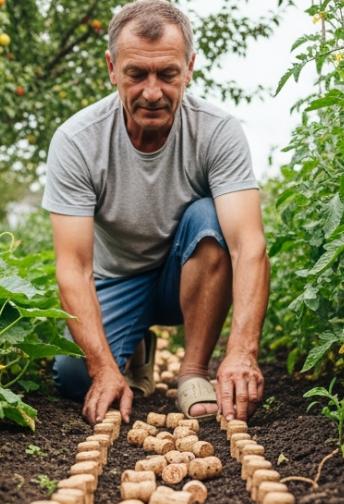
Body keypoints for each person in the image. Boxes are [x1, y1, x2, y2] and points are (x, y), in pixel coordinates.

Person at [42, 0, 269, 426]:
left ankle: (193, 370)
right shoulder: (77, 141)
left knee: (209, 217)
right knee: (73, 378)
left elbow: (248, 245)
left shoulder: (217, 131)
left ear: (189, 68)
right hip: (117, 279)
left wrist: (242, 351)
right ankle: (136, 348)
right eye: (136, 74)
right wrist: (102, 368)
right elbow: (73, 267)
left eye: (167, 74)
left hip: (186, 274)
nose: (152, 92)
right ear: (112, 68)